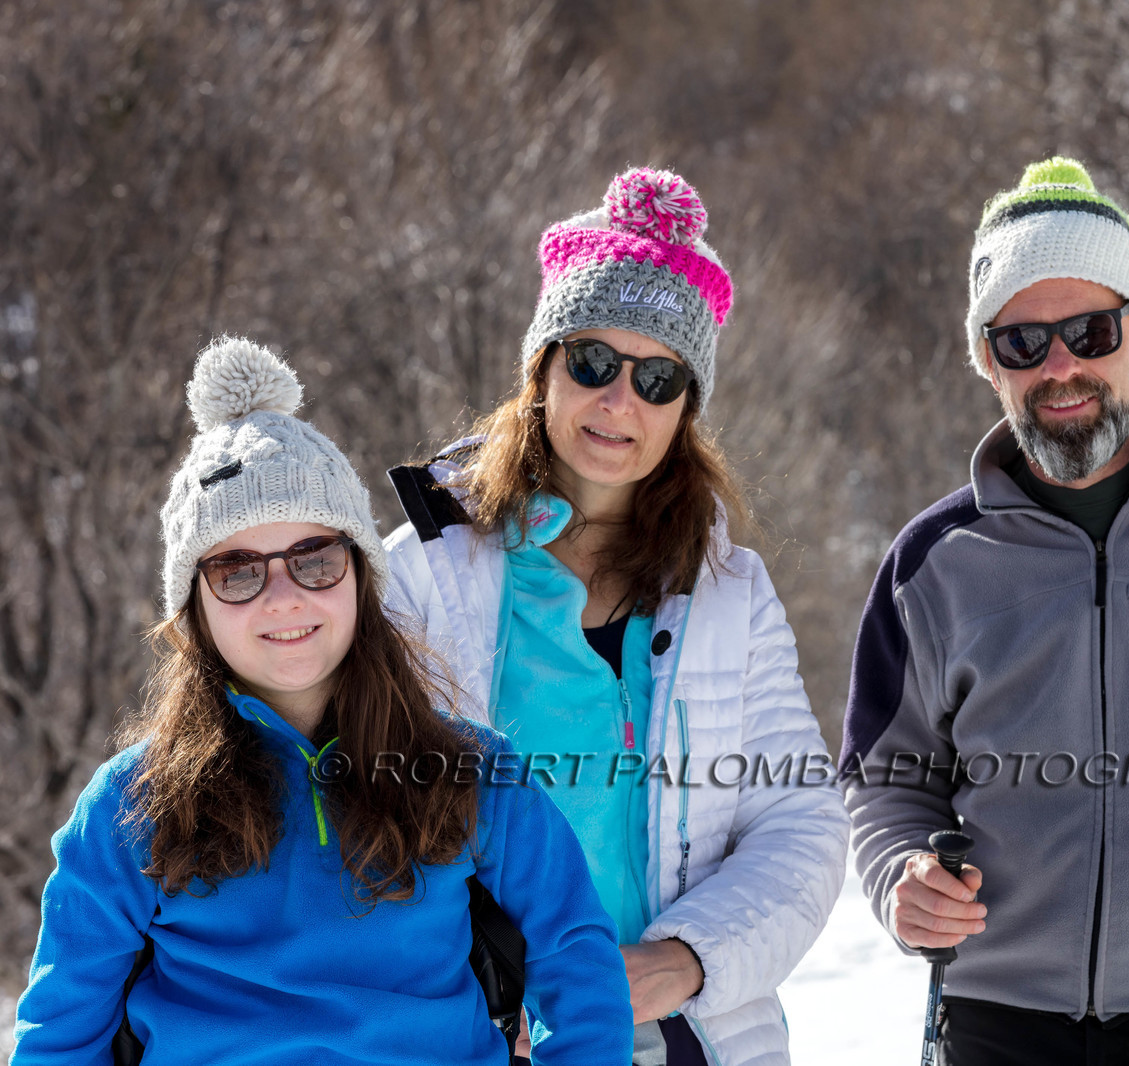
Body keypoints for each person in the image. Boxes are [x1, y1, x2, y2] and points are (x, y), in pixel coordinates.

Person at [10, 338, 632, 1064]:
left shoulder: (470, 770)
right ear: (194, 608)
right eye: (236, 571)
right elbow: (58, 1039)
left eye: (315, 558)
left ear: (361, 576)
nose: (283, 597)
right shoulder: (131, 805)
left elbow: (575, 951)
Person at [383, 166, 849, 1066]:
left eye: (658, 378)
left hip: (689, 1037)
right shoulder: (422, 580)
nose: (618, 400)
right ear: (541, 372)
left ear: (686, 410)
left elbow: (799, 823)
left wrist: (679, 962)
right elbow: (358, 808)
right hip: (481, 1037)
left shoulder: (732, 595)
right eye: (592, 362)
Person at [840, 158, 1129, 1065]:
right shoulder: (931, 564)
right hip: (995, 1024)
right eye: (1022, 342)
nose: (1060, 367)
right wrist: (902, 877)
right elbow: (885, 778)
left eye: (1090, 331)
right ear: (987, 361)